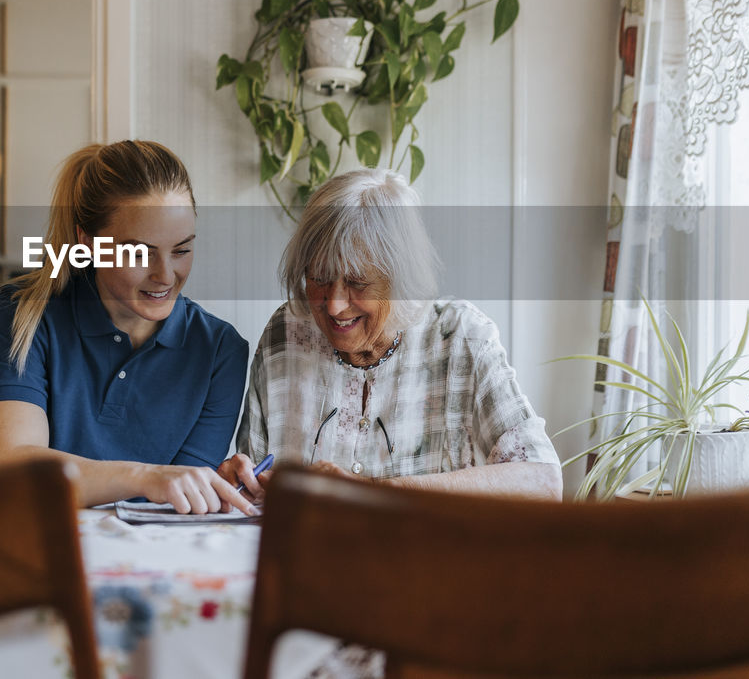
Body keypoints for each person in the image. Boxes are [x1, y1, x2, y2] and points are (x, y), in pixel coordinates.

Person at [220, 168, 561, 501]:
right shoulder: (286, 334)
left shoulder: (460, 339)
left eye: (357, 282)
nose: (335, 304)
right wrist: (241, 481)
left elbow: (542, 481)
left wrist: (377, 493)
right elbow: (256, 494)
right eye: (319, 278)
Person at [0, 140, 256, 515]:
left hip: (154, 559)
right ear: (87, 242)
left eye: (181, 250)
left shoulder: (221, 351)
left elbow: (180, 503)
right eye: (140, 252)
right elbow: (18, 470)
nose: (165, 275)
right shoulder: (23, 314)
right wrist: (146, 477)